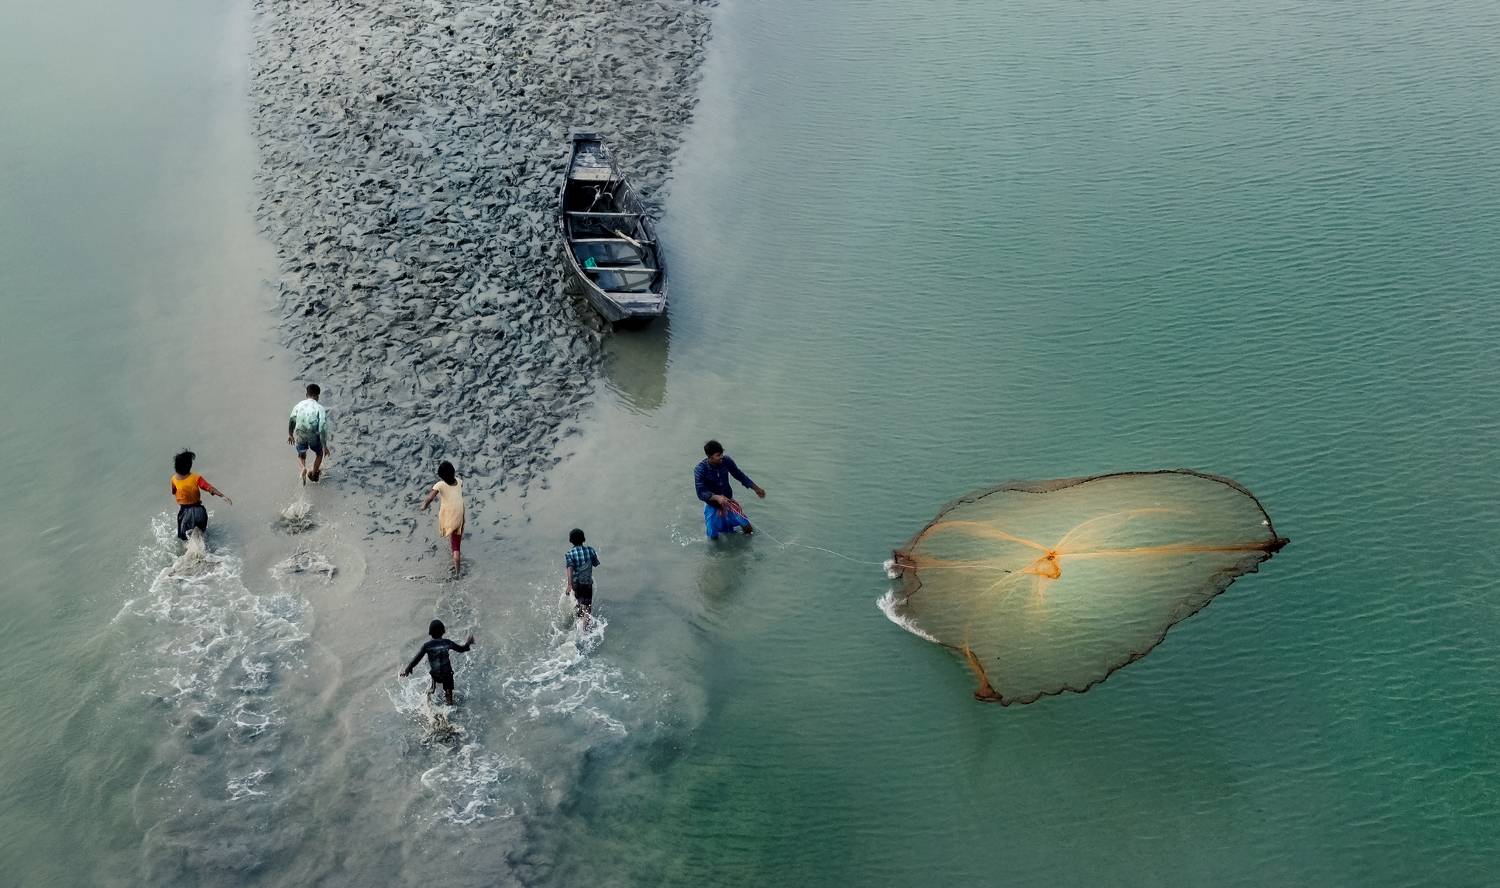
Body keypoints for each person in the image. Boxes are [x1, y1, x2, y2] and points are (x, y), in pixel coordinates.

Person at [694, 439, 766, 539]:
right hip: (712, 504)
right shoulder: (700, 469)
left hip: (728, 501)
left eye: (722, 454)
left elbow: (739, 475)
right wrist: (717, 497)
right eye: (718, 455)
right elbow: (700, 492)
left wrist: (756, 488)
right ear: (709, 457)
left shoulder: (726, 461)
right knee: (713, 536)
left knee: (748, 528)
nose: (721, 457)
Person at [401, 619, 474, 705]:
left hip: (436, 675)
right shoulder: (447, 643)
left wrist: (408, 668)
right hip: (447, 674)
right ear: (443, 631)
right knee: (449, 693)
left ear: (430, 633)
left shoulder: (427, 646)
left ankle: (430, 697)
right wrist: (468, 643)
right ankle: (449, 702)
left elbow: (417, 658)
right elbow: (461, 649)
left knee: (432, 688)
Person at [169, 450, 232, 542]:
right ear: (190, 466)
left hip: (185, 514)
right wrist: (222, 496)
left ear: (176, 467)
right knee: (201, 536)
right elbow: (209, 488)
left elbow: (173, 491)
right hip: (199, 512)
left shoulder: (173, 479)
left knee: (183, 538)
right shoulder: (196, 477)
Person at [419, 460, 465, 574]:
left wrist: (423, 506)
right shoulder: (459, 481)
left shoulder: (440, 484)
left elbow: (430, 498)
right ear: (454, 472)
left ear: (441, 477)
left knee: (456, 549)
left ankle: (457, 572)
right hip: (460, 514)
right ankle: (453, 547)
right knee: (455, 537)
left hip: (449, 516)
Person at [287, 383, 332, 483]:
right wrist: (324, 446)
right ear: (318, 396)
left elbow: (292, 419)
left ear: (306, 395)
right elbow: (322, 427)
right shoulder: (320, 408)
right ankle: (314, 473)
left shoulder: (299, 405)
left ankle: (303, 468)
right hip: (313, 435)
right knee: (319, 454)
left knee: (301, 454)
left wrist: (290, 434)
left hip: (301, 433)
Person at [563, 528, 600, 624]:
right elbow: (596, 563)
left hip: (576, 584)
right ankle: (584, 628)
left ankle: (579, 614)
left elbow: (570, 568)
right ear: (583, 539)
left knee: (579, 602)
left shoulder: (569, 554)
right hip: (587, 584)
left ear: (571, 540)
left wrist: (569, 585)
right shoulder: (590, 550)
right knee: (588, 608)